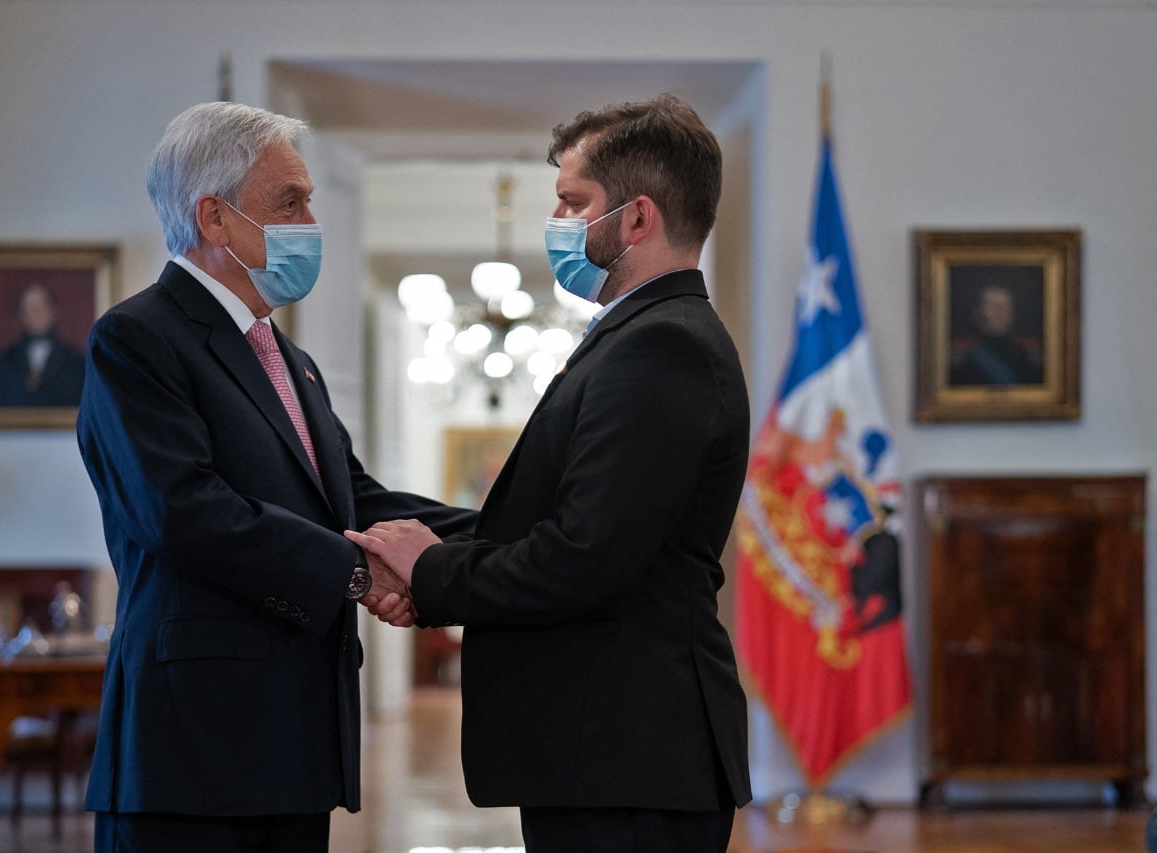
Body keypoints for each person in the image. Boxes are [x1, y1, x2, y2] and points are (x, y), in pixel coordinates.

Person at [348, 93, 753, 853]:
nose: (559, 222)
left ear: (636, 218)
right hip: (608, 752)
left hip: (628, 755)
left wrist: (433, 574)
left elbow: (581, 557)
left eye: (573, 202)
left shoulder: (662, 347)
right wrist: (407, 537)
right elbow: (544, 527)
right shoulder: (641, 335)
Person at [76, 101, 475, 853]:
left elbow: (354, 500)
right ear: (215, 218)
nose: (308, 222)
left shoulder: (294, 363)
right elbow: (183, 510)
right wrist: (358, 572)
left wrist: (507, 527)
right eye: (288, 202)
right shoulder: (136, 339)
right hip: (190, 752)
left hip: (291, 745)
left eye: (308, 202)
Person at [0, 281, 86, 407]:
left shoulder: (76, 362)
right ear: (22, 315)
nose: (37, 313)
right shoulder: (3, 362)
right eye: (30, 307)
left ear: (54, 311)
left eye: (42, 306)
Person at [948, 281, 1043, 387]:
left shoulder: (1029, 355)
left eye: (1006, 306)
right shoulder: (961, 357)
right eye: (994, 306)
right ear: (977, 312)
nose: (1001, 312)